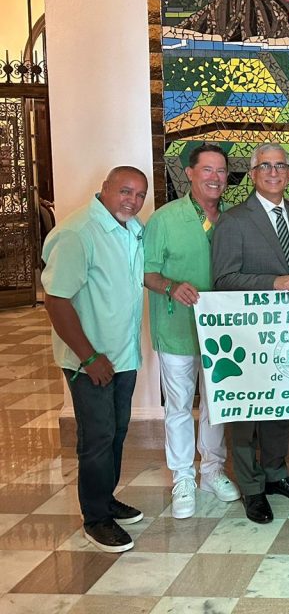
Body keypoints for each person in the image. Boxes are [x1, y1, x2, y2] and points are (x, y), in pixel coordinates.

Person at [41, 166, 148, 552]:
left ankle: (106, 498)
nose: (132, 201)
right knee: (97, 437)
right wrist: (89, 358)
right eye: (124, 191)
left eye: (139, 195)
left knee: (116, 430)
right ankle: (96, 519)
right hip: (92, 362)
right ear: (104, 188)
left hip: (122, 355)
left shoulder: (128, 228)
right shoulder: (77, 233)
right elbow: (56, 300)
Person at [211, 143, 289, 524]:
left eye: (281, 166)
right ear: (253, 174)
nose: (274, 172)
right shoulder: (234, 220)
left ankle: (275, 474)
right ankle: (252, 488)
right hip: (245, 335)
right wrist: (273, 282)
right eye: (265, 166)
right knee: (245, 414)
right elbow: (223, 279)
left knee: (280, 405)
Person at [142, 144, 240, 519]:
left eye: (221, 171)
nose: (215, 178)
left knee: (218, 404)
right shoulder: (165, 219)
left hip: (222, 335)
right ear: (190, 173)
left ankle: (212, 470)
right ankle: (182, 476)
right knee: (180, 405)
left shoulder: (232, 219)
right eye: (207, 170)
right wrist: (170, 286)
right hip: (177, 329)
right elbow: (147, 273)